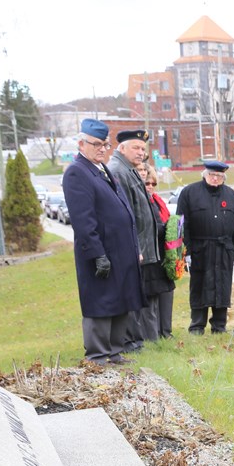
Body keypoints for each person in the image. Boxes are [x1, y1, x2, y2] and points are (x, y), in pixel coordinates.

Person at [62, 118, 144, 365]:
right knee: (100, 303)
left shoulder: (101, 168)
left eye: (105, 144)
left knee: (121, 300)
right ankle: (97, 355)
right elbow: (83, 220)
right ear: (81, 143)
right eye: (96, 144)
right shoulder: (77, 172)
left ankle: (115, 351)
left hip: (121, 251)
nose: (102, 149)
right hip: (102, 252)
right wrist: (97, 254)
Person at [108, 129, 161, 348]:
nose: (141, 153)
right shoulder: (118, 170)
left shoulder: (128, 169)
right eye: (136, 148)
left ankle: (135, 340)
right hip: (132, 248)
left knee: (139, 296)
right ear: (122, 148)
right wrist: (135, 247)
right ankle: (129, 341)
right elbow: (124, 216)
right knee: (130, 296)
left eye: (143, 149)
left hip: (140, 247)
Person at [177, 161, 234, 334]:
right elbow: (183, 225)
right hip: (200, 249)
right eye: (212, 175)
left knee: (222, 287)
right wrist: (186, 251)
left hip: (224, 249)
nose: (215, 179)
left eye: (219, 176)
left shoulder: (231, 195)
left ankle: (219, 326)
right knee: (199, 286)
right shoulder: (189, 193)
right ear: (205, 175)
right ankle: (197, 325)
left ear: (224, 178)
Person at [141, 162, 176, 338]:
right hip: (151, 256)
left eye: (153, 183)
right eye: (147, 183)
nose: (151, 187)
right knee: (152, 298)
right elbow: (153, 227)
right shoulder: (144, 202)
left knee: (166, 295)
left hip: (163, 254)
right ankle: (154, 336)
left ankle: (165, 332)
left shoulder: (157, 200)